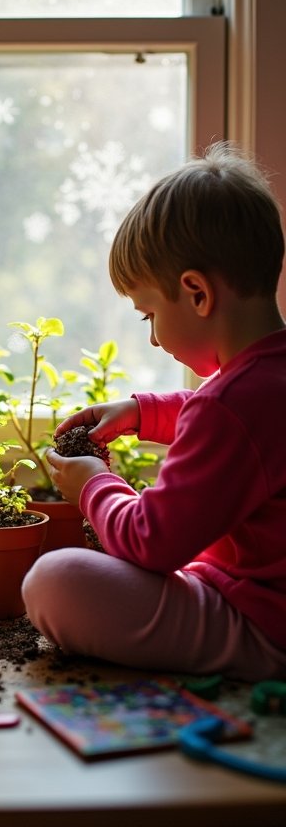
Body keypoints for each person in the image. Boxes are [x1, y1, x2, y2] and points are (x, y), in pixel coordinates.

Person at [22, 142, 286, 682]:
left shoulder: (232, 406)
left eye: (148, 315)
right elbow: (230, 419)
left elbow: (153, 542)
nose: (153, 337)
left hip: (265, 625)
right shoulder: (265, 382)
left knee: (54, 581)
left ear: (196, 294)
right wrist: (141, 413)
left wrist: (93, 484)